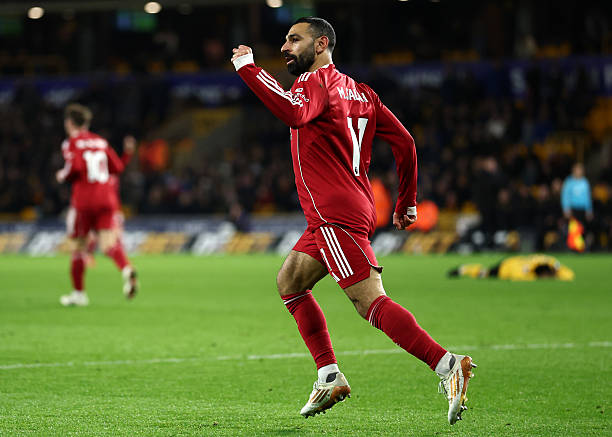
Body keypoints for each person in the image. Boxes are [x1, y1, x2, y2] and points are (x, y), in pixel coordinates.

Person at [231, 17, 476, 424]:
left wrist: (248, 69)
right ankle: (329, 376)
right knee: (290, 282)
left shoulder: (314, 82)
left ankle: (448, 365)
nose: (286, 47)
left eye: (295, 39)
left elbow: (293, 113)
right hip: (345, 208)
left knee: (370, 301)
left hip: (334, 214)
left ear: (321, 44)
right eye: (285, 40)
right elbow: (405, 142)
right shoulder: (362, 92)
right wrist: (406, 201)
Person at [56, 103, 138, 306]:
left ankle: (79, 294)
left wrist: (62, 175)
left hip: (84, 200)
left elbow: (74, 168)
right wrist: (127, 154)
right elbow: (117, 168)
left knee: (78, 247)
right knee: (109, 244)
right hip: (107, 199)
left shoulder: (71, 142)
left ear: (69, 123)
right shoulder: (101, 142)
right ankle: (127, 269)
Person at [447, 254, 575, 281]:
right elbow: (517, 276)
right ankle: (464, 269)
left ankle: (465, 269)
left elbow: (569, 275)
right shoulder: (525, 273)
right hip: (505, 267)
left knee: (484, 273)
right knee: (484, 273)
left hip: (513, 260)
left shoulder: (548, 262)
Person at [561, 163, 593, 251]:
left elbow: (588, 197)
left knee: (582, 229)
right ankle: (572, 248)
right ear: (574, 171)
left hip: (583, 209)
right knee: (573, 229)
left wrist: (589, 210)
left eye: (581, 170)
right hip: (573, 209)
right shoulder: (569, 182)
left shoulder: (585, 182)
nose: (579, 172)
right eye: (578, 170)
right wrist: (566, 208)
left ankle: (582, 248)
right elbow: (565, 196)